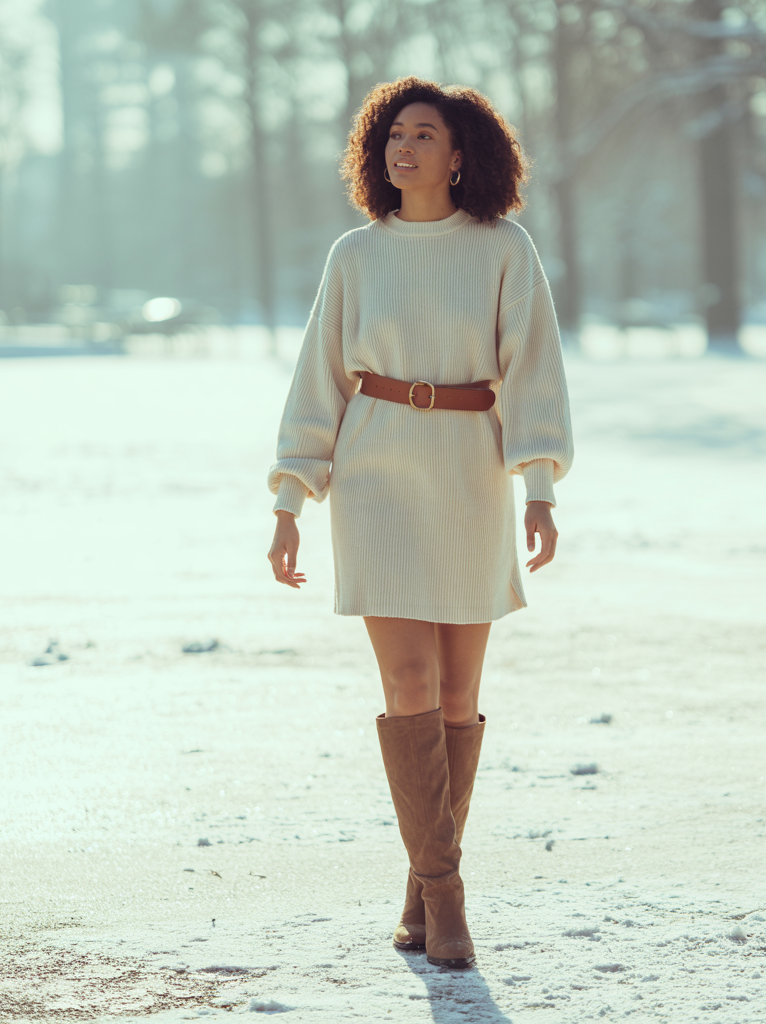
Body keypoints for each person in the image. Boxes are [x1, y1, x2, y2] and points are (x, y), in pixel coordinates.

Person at [266, 77, 573, 969]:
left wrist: (541, 487)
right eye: (393, 134)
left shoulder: (504, 248)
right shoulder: (354, 255)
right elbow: (315, 381)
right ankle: (448, 901)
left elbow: (536, 371)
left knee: (455, 701)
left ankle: (419, 885)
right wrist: (290, 500)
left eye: (424, 133)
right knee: (407, 685)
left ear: (461, 153)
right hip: (374, 475)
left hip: (469, 476)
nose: (404, 148)